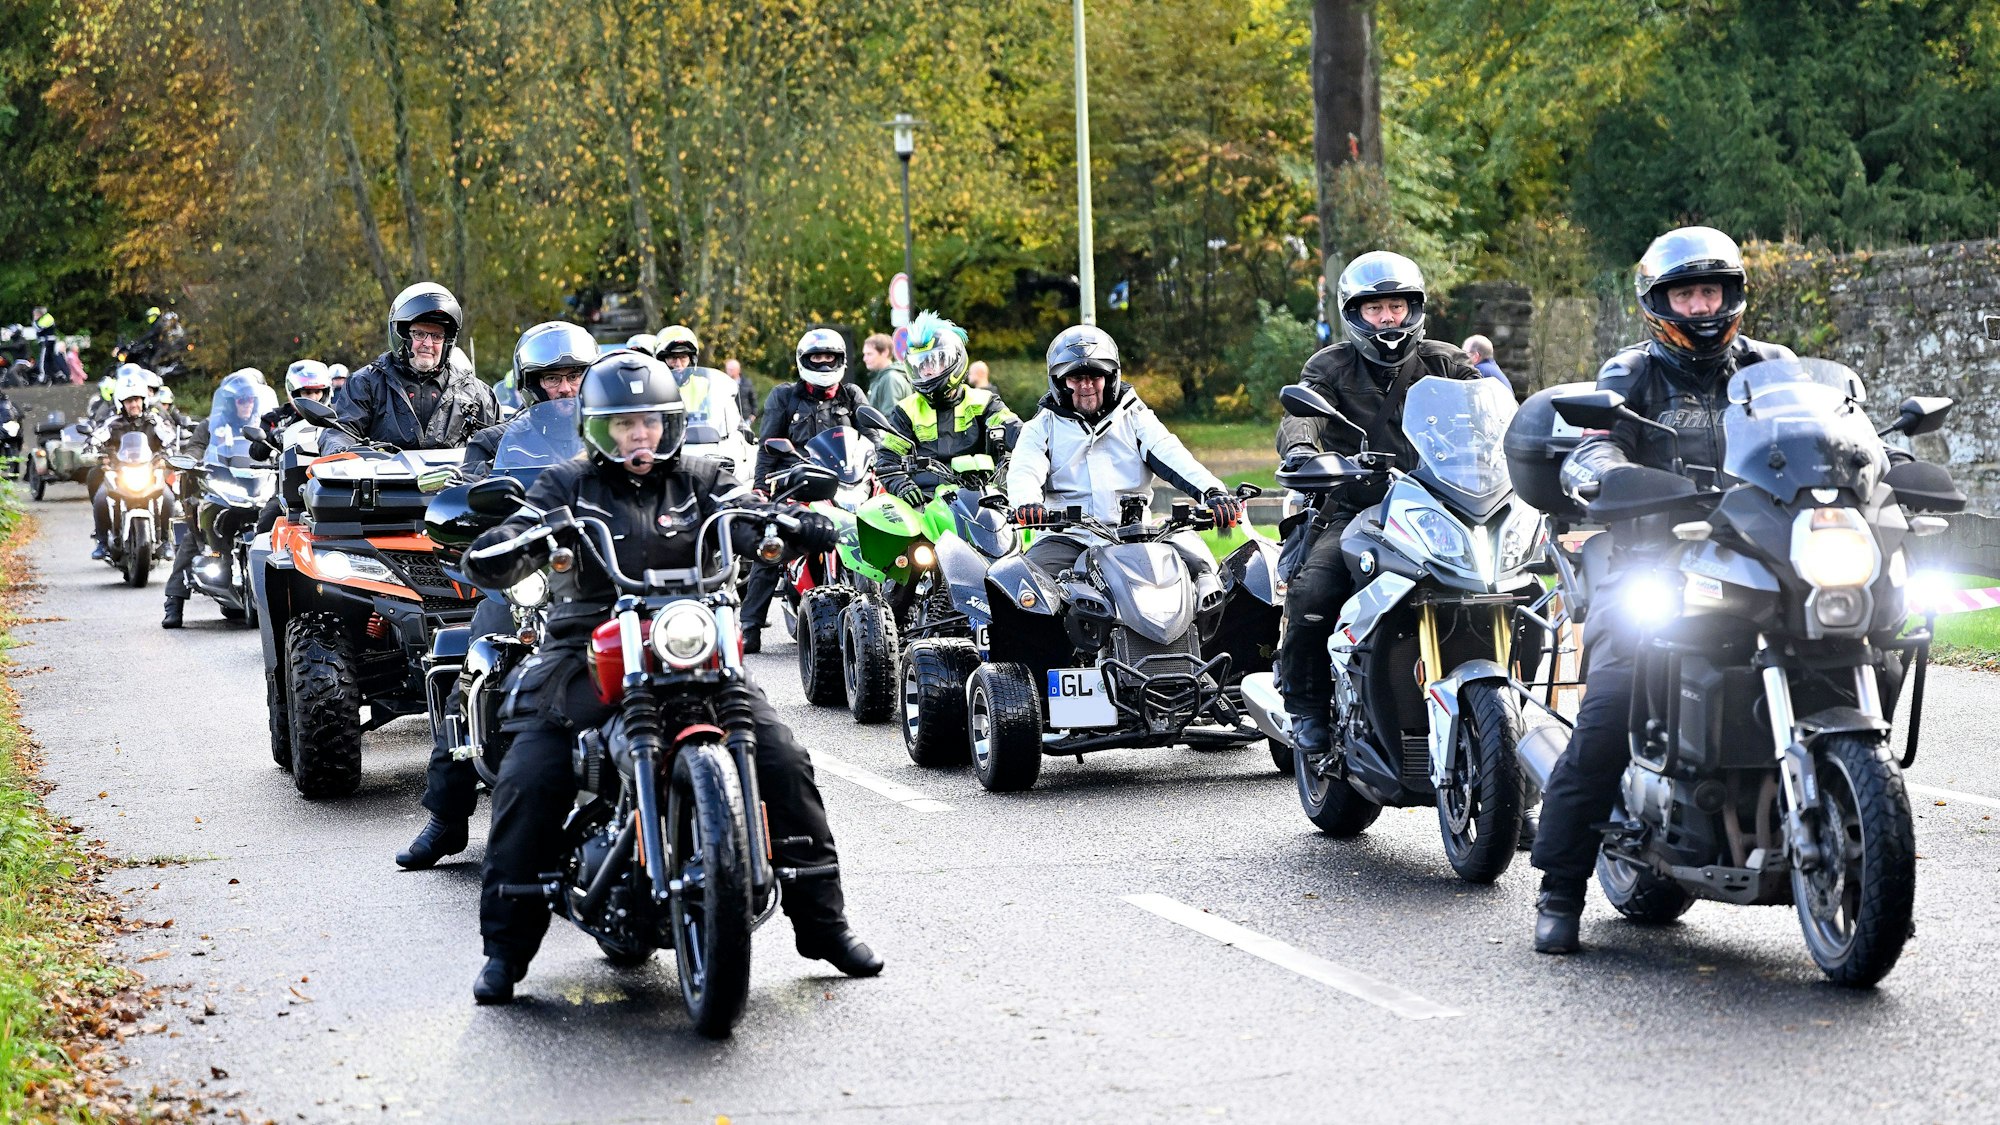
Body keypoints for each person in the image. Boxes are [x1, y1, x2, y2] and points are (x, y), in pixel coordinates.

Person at [458, 350, 880, 1003]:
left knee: (784, 756)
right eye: (625, 425)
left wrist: (785, 524)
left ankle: (824, 924)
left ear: (670, 422)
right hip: (587, 645)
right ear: (598, 428)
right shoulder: (566, 484)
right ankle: (507, 950)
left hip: (690, 641)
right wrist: (508, 545)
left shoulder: (701, 474)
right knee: (531, 766)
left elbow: (743, 511)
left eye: (651, 422)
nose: (640, 436)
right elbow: (521, 526)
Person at [1530, 227, 1800, 955]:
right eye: (1687, 292)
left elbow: (1828, 432)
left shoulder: (1773, 369)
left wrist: (1877, 454)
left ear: (1733, 295)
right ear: (1659, 302)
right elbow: (1595, 439)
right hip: (1649, 559)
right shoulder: (1633, 374)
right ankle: (1559, 886)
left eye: (1712, 290)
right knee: (1616, 698)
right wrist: (1599, 469)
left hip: (1754, 555)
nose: (1703, 306)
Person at [393, 321, 597, 873]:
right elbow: (467, 497)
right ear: (532, 383)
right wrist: (474, 509)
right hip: (526, 577)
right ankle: (446, 817)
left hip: (596, 576)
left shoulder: (610, 434)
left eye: (574, 376)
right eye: (553, 378)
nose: (565, 388)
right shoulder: (498, 439)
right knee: (474, 665)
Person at [1274, 251, 1482, 776]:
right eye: (1376, 309)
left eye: (1397, 306)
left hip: (1443, 507)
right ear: (1354, 314)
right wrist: (1304, 454)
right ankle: (1307, 710)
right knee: (1314, 591)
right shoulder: (1330, 366)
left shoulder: (1447, 362)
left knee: (1509, 591)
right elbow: (1301, 417)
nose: (1388, 319)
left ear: (1415, 310)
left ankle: (1511, 753)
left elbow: (1490, 409)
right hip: (1355, 506)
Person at [1005, 324, 1241, 583]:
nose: (1086, 386)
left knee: (1203, 575)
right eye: (1075, 378)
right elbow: (1025, 469)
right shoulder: (1040, 427)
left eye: (1095, 376)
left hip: (1136, 534)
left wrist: (1213, 492)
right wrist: (1027, 503)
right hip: (1068, 537)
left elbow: (1171, 453)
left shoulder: (1136, 417)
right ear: (1060, 382)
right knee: (1028, 587)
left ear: (1110, 378)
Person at [741, 328, 874, 652]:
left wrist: (882, 463)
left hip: (847, 483)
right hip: (799, 483)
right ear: (804, 361)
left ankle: (889, 617)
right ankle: (750, 626)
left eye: (830, 358)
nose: (824, 363)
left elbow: (873, 439)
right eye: (817, 358)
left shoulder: (852, 395)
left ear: (841, 361)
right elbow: (767, 446)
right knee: (772, 542)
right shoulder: (784, 397)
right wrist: (761, 487)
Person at [320, 283, 498, 456]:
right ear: (401, 336)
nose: (428, 344)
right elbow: (340, 431)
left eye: (437, 336)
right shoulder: (365, 383)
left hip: (456, 483)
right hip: (386, 484)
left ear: (447, 342)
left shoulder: (473, 392)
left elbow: (501, 438)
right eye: (419, 334)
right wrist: (340, 452)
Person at [162, 370, 275, 628]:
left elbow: (277, 446)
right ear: (230, 402)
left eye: (249, 399)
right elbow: (195, 447)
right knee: (196, 534)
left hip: (258, 486)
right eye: (240, 400)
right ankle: (173, 600)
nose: (245, 404)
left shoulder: (264, 424)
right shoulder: (212, 425)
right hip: (223, 489)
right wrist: (194, 460)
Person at [873, 312, 1018, 508]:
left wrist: (1039, 442)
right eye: (921, 365)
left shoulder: (984, 402)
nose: (927, 371)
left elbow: (1017, 433)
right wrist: (902, 486)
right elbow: (887, 459)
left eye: (934, 361)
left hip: (984, 500)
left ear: (955, 359)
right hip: (926, 505)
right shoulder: (906, 410)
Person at [88, 367, 176, 559]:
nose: (133, 404)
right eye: (129, 401)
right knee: (102, 498)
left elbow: (170, 438)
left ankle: (166, 542)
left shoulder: (154, 421)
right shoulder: (113, 423)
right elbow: (96, 438)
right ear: (122, 403)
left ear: (143, 400)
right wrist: (95, 449)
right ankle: (102, 542)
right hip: (120, 472)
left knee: (168, 498)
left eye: (136, 399)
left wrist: (167, 454)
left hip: (149, 471)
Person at [860, 332, 911, 416]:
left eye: (869, 354)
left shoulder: (891, 379)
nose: (864, 359)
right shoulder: (881, 378)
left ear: (885, 352)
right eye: (864, 354)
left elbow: (891, 419)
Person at [722, 356, 756, 425]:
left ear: (738, 370)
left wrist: (753, 414)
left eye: (731, 369)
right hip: (727, 419)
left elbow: (753, 399)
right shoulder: (722, 383)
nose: (729, 371)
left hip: (744, 418)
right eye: (728, 369)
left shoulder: (747, 383)